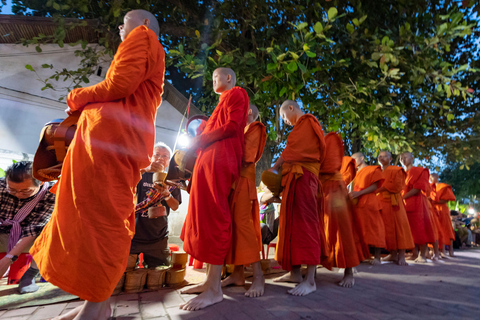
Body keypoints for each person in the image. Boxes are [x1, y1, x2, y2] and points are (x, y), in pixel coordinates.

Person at [31, 9, 165, 320]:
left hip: (112, 147)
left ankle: (95, 305)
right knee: (92, 217)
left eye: (126, 21)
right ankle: (97, 304)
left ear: (145, 25)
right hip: (110, 145)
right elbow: (121, 87)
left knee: (105, 221)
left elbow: (119, 84)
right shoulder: (145, 46)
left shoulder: (143, 36)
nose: (121, 27)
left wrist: (78, 97)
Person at [180, 68, 249, 311]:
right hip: (208, 157)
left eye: (216, 77)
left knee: (215, 214)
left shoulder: (237, 93)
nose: (213, 81)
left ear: (229, 78)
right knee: (202, 216)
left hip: (220, 157)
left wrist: (202, 139)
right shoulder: (221, 102)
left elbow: (231, 126)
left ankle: (214, 289)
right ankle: (210, 281)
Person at [269, 100, 326, 296]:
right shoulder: (300, 128)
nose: (285, 121)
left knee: (307, 225)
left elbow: (293, 152)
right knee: (291, 226)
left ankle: (310, 280)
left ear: (291, 108)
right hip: (294, 179)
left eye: (284, 116)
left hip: (305, 178)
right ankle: (294, 273)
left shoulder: (308, 123)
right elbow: (292, 151)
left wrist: (275, 167)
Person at [222, 104, 267, 298]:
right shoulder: (242, 130)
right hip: (233, 181)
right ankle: (237, 274)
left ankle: (258, 276)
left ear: (247, 111)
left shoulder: (255, 128)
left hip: (243, 181)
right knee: (233, 228)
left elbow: (246, 157)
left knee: (243, 227)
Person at [320, 133, 368, 288]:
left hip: (336, 192)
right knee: (321, 231)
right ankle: (308, 271)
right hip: (320, 191)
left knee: (343, 231)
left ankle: (349, 272)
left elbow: (329, 166)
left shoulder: (330, 141)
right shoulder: (311, 146)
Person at [0, 161, 54, 293]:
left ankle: (30, 275)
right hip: (2, 232)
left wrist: (8, 259)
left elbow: (34, 228)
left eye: (25, 191)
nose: (18, 194)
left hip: (29, 238)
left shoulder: (51, 193)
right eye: (12, 190)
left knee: (53, 231)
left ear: (40, 183)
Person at [130, 143, 181, 268]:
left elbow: (175, 206)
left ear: (169, 161)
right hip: (133, 235)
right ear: (150, 157)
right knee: (126, 275)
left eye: (165, 156)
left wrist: (166, 194)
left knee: (159, 276)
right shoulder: (139, 174)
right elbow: (123, 187)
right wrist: (146, 169)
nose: (160, 158)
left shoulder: (172, 181)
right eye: (156, 155)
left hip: (158, 237)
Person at [376, 151, 414, 266]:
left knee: (399, 228)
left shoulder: (396, 170)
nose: (381, 158)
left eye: (385, 156)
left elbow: (397, 186)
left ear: (391, 159)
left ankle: (401, 255)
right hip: (380, 202)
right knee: (385, 228)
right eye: (380, 156)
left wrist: (378, 189)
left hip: (394, 203)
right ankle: (392, 254)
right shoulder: (376, 171)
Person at [399, 152, 436, 263]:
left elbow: (418, 188)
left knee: (419, 228)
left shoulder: (419, 171)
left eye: (405, 157)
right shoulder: (401, 173)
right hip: (403, 204)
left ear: (412, 158)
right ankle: (414, 253)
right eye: (401, 158)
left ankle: (422, 255)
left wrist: (403, 197)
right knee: (409, 229)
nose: (403, 159)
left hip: (417, 202)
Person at [350, 152, 386, 265]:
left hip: (369, 201)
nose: (353, 162)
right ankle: (361, 255)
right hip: (357, 202)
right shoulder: (354, 173)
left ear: (362, 157)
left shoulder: (372, 169)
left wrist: (360, 193)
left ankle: (377, 257)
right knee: (358, 229)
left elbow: (375, 186)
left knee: (375, 228)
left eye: (354, 159)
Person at [429, 173, 456, 257]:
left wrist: (433, 201)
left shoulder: (443, 186)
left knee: (446, 229)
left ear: (438, 177)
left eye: (434, 176)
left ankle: (450, 250)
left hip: (442, 209)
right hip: (433, 209)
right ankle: (437, 250)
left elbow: (445, 200)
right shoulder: (429, 187)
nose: (432, 178)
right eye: (430, 177)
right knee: (435, 229)